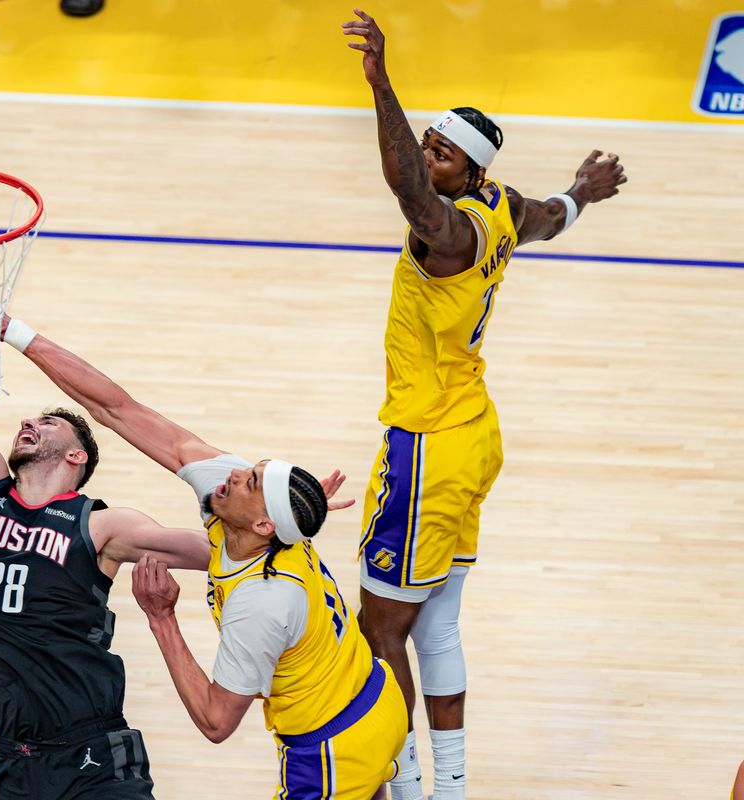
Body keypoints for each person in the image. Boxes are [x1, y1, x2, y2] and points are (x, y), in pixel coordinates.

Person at [341, 10, 628, 800]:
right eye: (427, 145)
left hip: (429, 443)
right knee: (435, 625)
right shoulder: (501, 204)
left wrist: (382, 87)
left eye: (441, 154)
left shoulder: (452, 236)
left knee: (381, 629)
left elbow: (408, 193)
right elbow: (545, 220)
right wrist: (583, 191)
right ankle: (452, 788)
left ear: (465, 174)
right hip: (472, 432)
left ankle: (400, 787)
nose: (426, 160)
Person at [0, 314, 408, 799]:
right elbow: (117, 408)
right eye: (250, 468)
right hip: (378, 700)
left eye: (250, 481)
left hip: (333, 751)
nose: (232, 474)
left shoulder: (261, 602)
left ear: (265, 525)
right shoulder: (239, 508)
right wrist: (13, 331)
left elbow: (215, 720)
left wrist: (162, 618)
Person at [0, 181, 210, 800]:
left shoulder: (102, 526)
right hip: (16, 761)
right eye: (28, 421)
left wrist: (285, 513)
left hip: (93, 757)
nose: (27, 423)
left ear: (76, 456)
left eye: (46, 422)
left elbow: (217, 548)